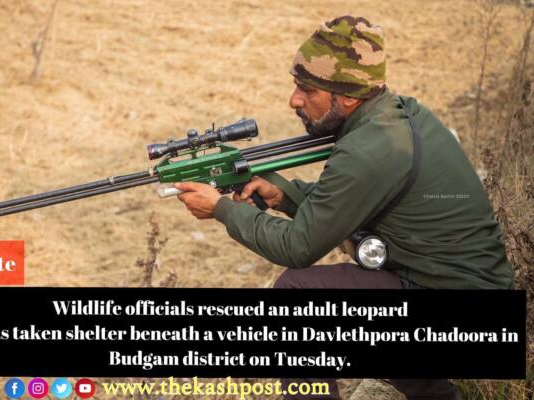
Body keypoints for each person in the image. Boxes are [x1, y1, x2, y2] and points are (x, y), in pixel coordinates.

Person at [174, 15, 514, 400]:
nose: (294, 100)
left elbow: (297, 248)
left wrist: (222, 209)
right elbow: (346, 202)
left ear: (349, 97)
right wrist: (281, 195)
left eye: (307, 89)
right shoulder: (396, 114)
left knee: (296, 293)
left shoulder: (368, 150)